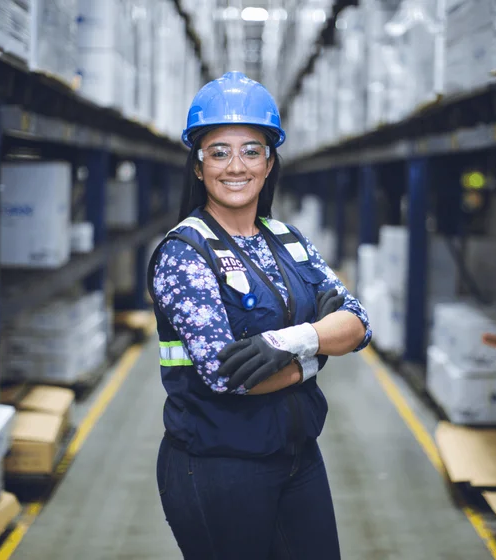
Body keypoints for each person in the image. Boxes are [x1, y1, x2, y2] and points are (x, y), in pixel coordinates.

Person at [147, 71, 372, 560]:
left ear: (270, 163)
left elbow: (357, 322)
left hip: (298, 457)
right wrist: (319, 351)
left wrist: (291, 343)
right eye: (219, 151)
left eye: (251, 150)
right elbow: (229, 376)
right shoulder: (186, 253)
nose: (236, 166)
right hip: (218, 465)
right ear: (198, 164)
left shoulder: (289, 239)